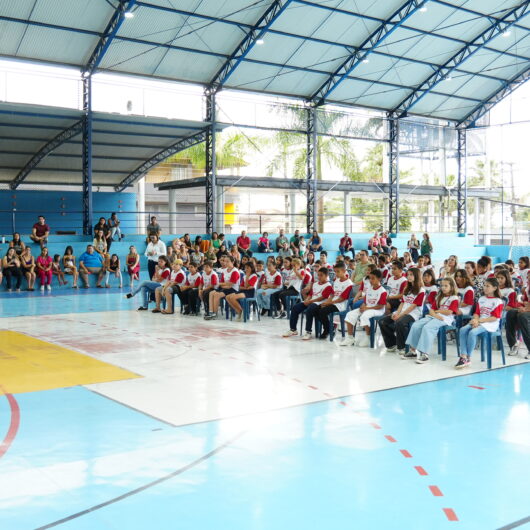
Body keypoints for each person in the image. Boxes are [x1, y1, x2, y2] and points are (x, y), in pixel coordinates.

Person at [404, 277, 459, 363]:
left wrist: (436, 312)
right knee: (416, 325)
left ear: (452, 287)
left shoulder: (454, 298)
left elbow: (449, 312)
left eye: (446, 286)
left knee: (428, 327)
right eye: (442, 286)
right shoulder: (439, 297)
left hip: (445, 319)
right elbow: (431, 310)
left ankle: (424, 354)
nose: (443, 288)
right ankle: (413, 350)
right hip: (435, 316)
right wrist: (435, 314)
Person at [456, 278, 503, 369]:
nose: (485, 288)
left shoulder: (498, 301)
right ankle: (463, 356)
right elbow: (477, 313)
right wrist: (475, 320)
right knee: (462, 330)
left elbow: (494, 317)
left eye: (487, 286)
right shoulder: (481, 298)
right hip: (479, 321)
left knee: (472, 332)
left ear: (494, 288)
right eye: (484, 286)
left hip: (490, 323)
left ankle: (468, 357)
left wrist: (478, 321)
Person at [379, 268, 425, 355]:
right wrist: (397, 313)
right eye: (408, 275)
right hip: (403, 312)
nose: (409, 277)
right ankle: (392, 344)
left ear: (417, 276)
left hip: (413, 314)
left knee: (399, 322)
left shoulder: (421, 291)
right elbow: (402, 303)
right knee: (382, 321)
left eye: (411, 275)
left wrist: (400, 315)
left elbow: (412, 307)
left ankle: (402, 347)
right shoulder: (406, 289)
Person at [340, 269, 387, 347]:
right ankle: (350, 338)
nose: (371, 280)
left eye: (373, 278)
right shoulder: (369, 289)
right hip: (368, 308)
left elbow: (381, 306)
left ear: (379, 279)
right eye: (370, 278)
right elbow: (365, 301)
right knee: (350, 314)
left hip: (378, 310)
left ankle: (368, 337)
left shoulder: (383, 291)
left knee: (365, 315)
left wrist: (366, 308)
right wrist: (363, 306)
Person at [282, 267, 333, 339]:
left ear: (326, 276)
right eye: (318, 275)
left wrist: (310, 301)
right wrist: (307, 300)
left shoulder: (328, 286)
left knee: (309, 310)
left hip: (319, 303)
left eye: (321, 275)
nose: (319, 277)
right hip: (311, 301)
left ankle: (308, 332)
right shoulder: (315, 284)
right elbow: (311, 295)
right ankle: (293, 329)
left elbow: (322, 298)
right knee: (295, 308)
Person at [314, 262, 352, 340]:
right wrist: (326, 302)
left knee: (322, 311)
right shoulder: (336, 281)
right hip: (333, 303)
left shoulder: (349, 283)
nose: (336, 273)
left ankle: (327, 330)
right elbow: (332, 295)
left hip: (341, 305)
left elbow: (341, 299)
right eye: (335, 271)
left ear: (344, 271)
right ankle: (330, 328)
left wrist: (328, 303)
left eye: (338, 271)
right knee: (315, 309)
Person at [205, 255, 240, 320]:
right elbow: (221, 283)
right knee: (211, 293)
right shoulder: (225, 271)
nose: (225, 263)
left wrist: (223, 284)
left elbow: (230, 284)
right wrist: (224, 284)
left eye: (227, 261)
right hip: (225, 288)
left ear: (232, 262)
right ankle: (210, 312)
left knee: (216, 295)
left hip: (233, 290)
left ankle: (215, 313)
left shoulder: (235, 271)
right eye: (224, 261)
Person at [505, 273, 530, 359]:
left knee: (522, 316)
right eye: (528, 277)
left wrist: (526, 309)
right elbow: (526, 301)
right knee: (511, 313)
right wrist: (523, 306)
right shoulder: (528, 288)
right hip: (527, 308)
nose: (528, 279)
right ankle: (513, 344)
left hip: (528, 310)